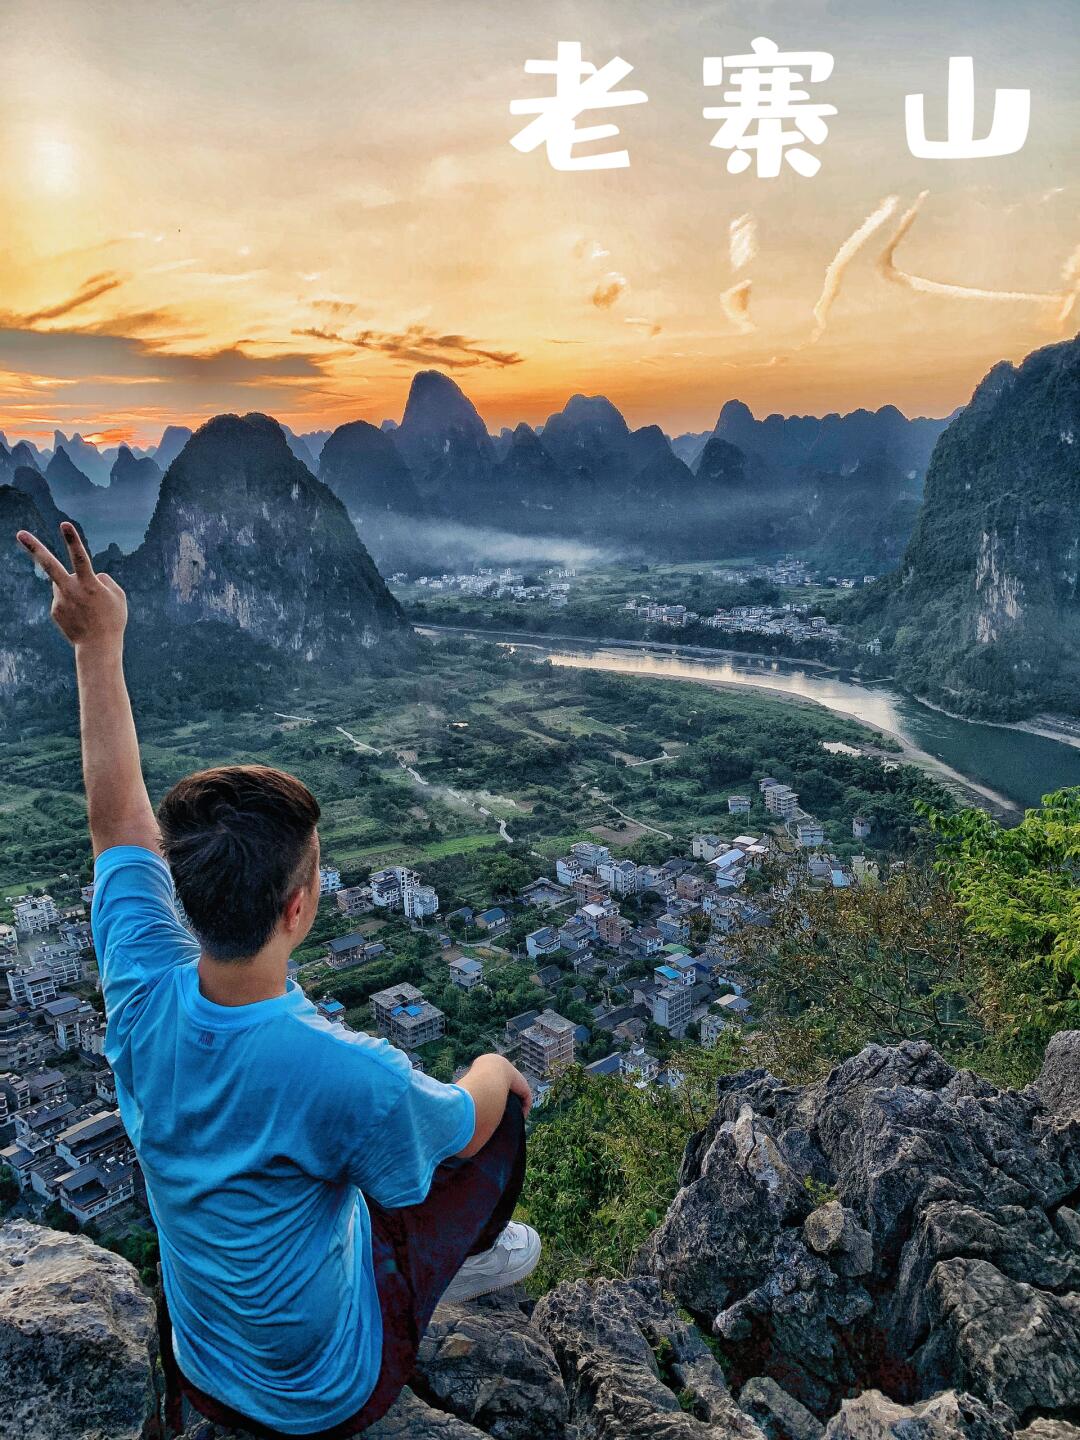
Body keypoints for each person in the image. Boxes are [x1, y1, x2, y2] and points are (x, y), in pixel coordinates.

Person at [14, 522, 541, 1437]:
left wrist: (97, 645)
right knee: (473, 1139)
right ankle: (458, 1263)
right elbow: (468, 1120)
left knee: (345, 1170)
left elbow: (114, 826)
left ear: (182, 891)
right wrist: (498, 1067)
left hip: (205, 1359)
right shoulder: (343, 1071)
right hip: (322, 1394)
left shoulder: (141, 990)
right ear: (299, 909)